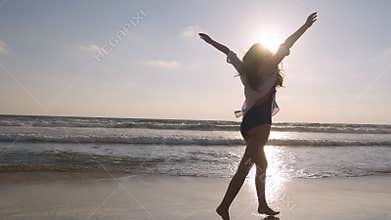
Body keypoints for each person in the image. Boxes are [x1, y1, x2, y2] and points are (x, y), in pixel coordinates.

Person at [199, 12, 317, 219]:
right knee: (248, 167)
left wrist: (210, 41)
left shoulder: (245, 70)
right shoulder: (271, 66)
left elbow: (228, 51)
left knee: (258, 164)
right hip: (261, 123)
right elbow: (288, 42)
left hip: (247, 123)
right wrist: (305, 26)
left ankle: (251, 205)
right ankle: (230, 206)